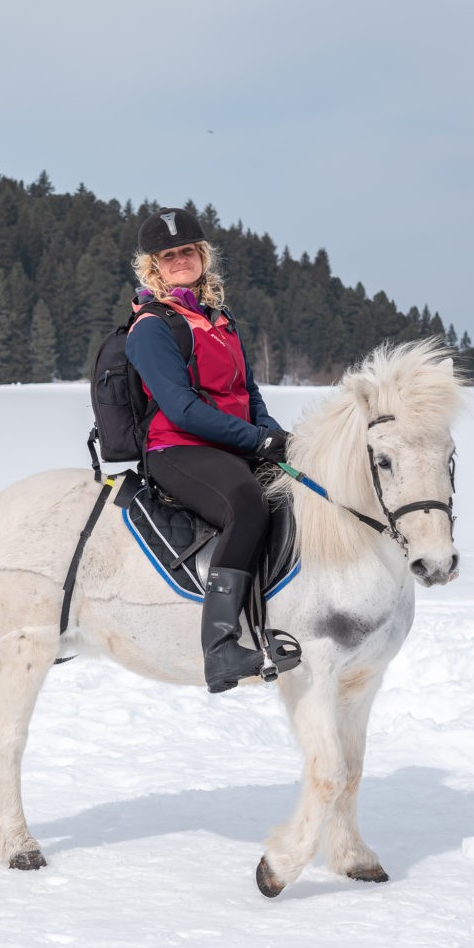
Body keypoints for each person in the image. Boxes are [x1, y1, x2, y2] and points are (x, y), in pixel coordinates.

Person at [125, 207, 298, 694]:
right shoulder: (153, 326)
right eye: (168, 255)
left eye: (187, 251)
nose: (180, 259)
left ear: (201, 256)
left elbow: (250, 392)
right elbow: (180, 409)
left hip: (229, 442)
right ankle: (220, 647)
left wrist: (275, 436)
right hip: (177, 448)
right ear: (154, 266)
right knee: (246, 500)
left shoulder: (218, 318)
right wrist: (254, 441)